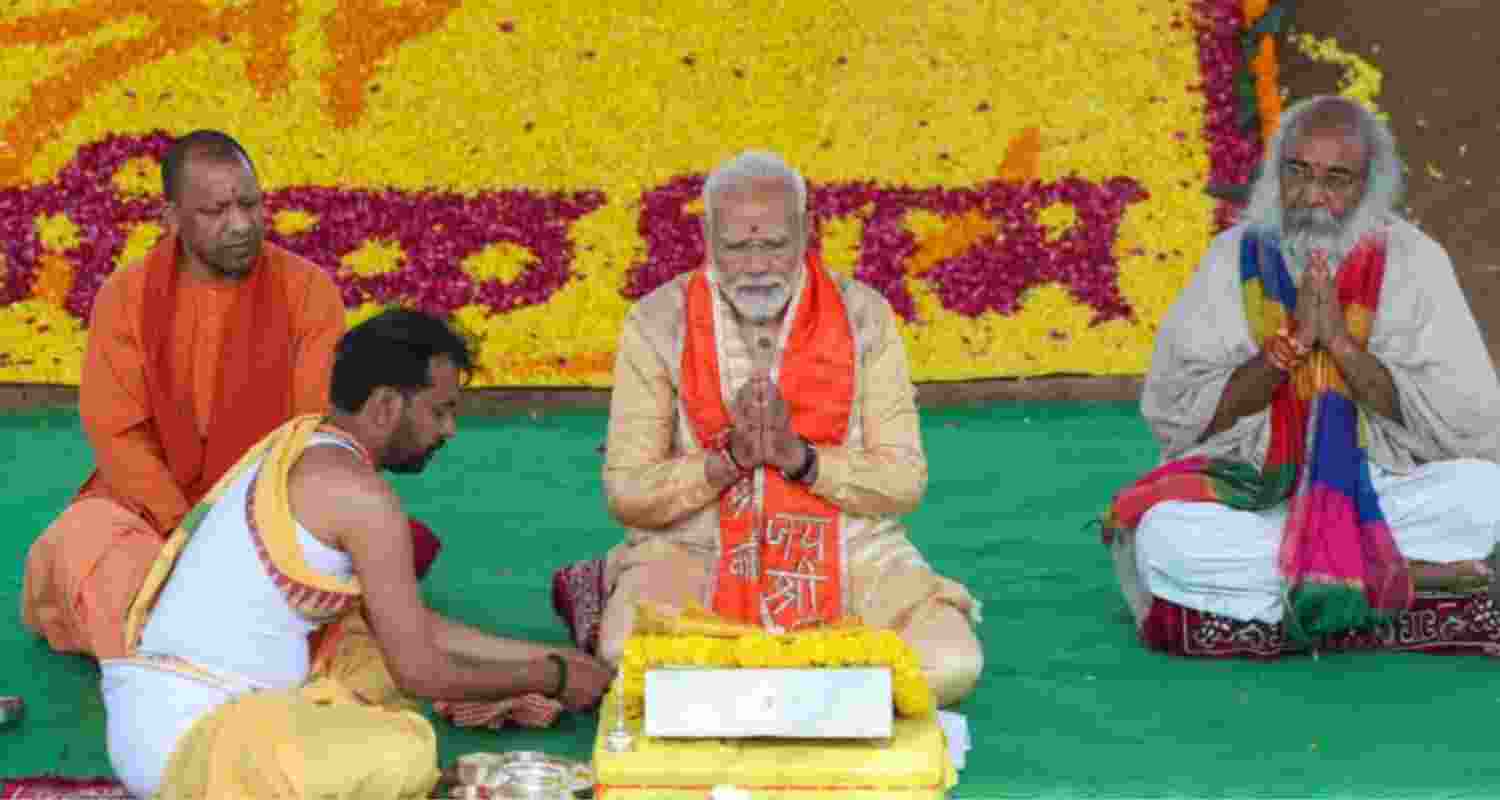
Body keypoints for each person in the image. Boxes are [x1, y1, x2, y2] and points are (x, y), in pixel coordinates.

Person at [101, 309, 614, 799]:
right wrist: (554, 678)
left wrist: (552, 658)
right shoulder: (361, 496)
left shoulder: (309, 444)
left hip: (159, 713)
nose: (449, 430)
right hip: (194, 745)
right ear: (388, 406)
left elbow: (420, 628)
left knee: (366, 662)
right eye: (440, 411)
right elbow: (423, 669)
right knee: (405, 752)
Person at [555, 151, 983, 708]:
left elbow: (903, 482)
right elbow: (628, 493)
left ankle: (745, 689)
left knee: (951, 664)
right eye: (737, 246)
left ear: (806, 231)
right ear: (708, 236)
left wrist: (800, 459)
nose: (757, 264)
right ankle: (826, 693)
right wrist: (726, 461)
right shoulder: (657, 322)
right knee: (624, 650)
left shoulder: (864, 317)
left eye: (774, 244)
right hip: (695, 547)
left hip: (851, 548)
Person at [1105, 96, 1500, 643]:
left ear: (1370, 189)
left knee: (1485, 493)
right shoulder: (1232, 258)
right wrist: (1277, 359)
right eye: (1297, 172)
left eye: (1336, 179)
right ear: (1275, 172)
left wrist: (1340, 344)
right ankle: (1397, 579)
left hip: (1380, 491)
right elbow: (1179, 410)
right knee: (1164, 538)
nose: (1312, 195)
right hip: (1261, 491)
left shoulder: (1416, 261)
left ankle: (1303, 588)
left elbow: (1466, 415)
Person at [19, 129, 395, 661]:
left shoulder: (308, 291)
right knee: (83, 542)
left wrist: (239, 539)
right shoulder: (125, 296)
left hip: (269, 519)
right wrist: (184, 530)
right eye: (215, 211)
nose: (240, 224)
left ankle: (182, 644)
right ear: (172, 218)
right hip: (151, 515)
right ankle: (202, 644)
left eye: (249, 203)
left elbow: (310, 434)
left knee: (341, 545)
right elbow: (118, 434)